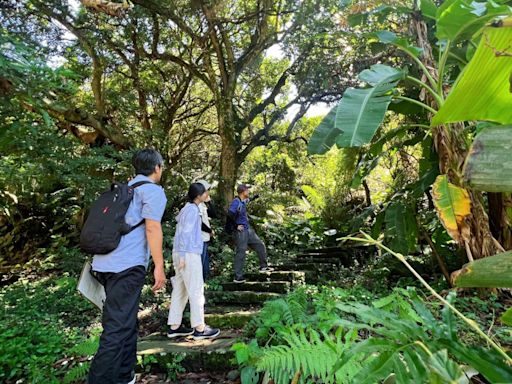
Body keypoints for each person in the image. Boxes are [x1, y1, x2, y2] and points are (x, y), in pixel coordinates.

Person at [88, 149, 167, 384]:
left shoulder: (122, 190)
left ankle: (125, 376)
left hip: (103, 263)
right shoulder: (152, 191)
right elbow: (152, 228)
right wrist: (159, 267)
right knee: (116, 328)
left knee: (126, 321)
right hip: (127, 266)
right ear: (157, 168)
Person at [167, 183, 220, 340]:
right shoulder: (192, 210)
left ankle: (174, 326)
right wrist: (183, 255)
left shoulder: (186, 208)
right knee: (196, 290)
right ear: (199, 195)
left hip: (179, 252)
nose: (208, 194)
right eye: (205, 192)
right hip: (188, 253)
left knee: (181, 289)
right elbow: (185, 233)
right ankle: (199, 328)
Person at [229, 184, 273, 284]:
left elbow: (249, 200)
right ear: (243, 192)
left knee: (260, 245)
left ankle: (263, 266)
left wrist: (255, 197)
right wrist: (236, 226)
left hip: (248, 230)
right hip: (241, 232)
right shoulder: (236, 202)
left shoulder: (243, 201)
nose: (248, 192)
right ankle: (238, 277)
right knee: (241, 252)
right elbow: (230, 214)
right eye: (247, 190)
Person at [197, 179, 214, 281]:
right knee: (201, 263)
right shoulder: (197, 205)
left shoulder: (203, 204)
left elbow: (213, 214)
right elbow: (199, 223)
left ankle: (205, 282)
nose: (208, 192)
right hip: (200, 238)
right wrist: (209, 231)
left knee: (205, 262)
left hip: (205, 238)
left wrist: (209, 202)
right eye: (206, 190)